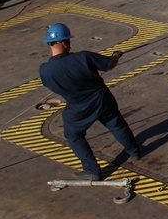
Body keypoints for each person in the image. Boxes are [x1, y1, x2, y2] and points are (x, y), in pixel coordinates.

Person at [38, 23, 141, 180]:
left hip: (76, 106)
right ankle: (134, 152)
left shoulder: (45, 70)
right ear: (64, 42)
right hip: (100, 98)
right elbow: (109, 64)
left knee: (73, 135)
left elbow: (53, 86)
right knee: (116, 124)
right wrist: (115, 56)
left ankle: (92, 170)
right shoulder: (83, 57)